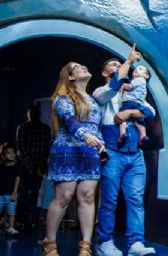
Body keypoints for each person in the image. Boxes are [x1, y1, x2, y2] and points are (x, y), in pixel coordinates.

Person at [93, 46, 156, 256]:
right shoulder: (101, 93)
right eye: (114, 65)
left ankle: (136, 243)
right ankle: (105, 242)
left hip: (135, 156)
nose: (119, 66)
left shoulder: (134, 94)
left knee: (136, 200)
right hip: (113, 153)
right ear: (104, 72)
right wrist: (128, 62)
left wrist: (129, 112)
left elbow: (151, 111)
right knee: (109, 200)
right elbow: (113, 86)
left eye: (121, 65)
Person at [40, 62, 106, 256]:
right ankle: (49, 243)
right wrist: (87, 137)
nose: (84, 66)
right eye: (77, 66)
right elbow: (70, 122)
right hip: (67, 151)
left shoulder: (94, 100)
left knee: (87, 196)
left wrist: (101, 144)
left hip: (90, 153)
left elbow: (96, 128)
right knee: (64, 197)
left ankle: (85, 245)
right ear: (70, 76)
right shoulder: (62, 98)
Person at [16, 103, 53, 229]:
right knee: (33, 192)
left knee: (26, 192)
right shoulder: (45, 129)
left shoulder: (23, 127)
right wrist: (40, 162)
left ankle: (23, 219)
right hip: (37, 164)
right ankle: (31, 219)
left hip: (30, 164)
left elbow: (20, 146)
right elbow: (47, 148)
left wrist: (28, 160)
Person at [0, 142, 22, 236]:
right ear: (4, 155)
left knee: (11, 211)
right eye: (8, 152)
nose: (10, 155)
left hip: (11, 192)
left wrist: (15, 192)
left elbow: (17, 179)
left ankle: (11, 227)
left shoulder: (17, 166)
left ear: (16, 154)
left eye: (12, 153)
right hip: (0, 192)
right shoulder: (2, 166)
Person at [116, 65, 153, 146]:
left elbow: (130, 86)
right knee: (139, 120)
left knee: (123, 116)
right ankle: (143, 135)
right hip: (138, 104)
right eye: (135, 69)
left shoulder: (138, 79)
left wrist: (122, 85)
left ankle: (122, 133)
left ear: (146, 76)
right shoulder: (142, 83)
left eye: (140, 69)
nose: (136, 69)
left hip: (129, 102)